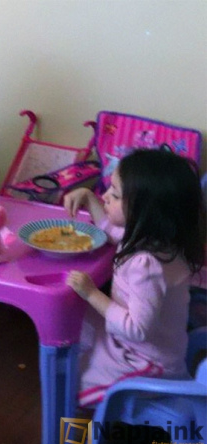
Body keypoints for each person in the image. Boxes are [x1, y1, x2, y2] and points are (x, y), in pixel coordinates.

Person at [63, 148, 205, 409]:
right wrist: (88, 198)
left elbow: (137, 330)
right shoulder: (159, 240)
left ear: (146, 213)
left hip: (147, 362)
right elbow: (112, 230)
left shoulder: (147, 265)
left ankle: (77, 428)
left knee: (72, 384)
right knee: (77, 327)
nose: (105, 196)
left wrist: (92, 293)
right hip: (144, 345)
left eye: (115, 195)